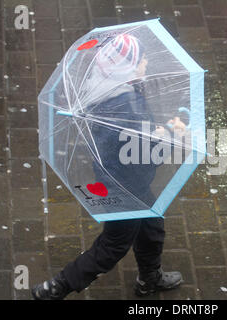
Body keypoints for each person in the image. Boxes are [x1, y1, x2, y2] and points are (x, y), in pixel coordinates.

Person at [32, 34, 187, 300]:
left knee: (152, 226)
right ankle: (57, 287)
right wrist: (172, 136)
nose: (147, 61)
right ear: (127, 66)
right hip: (126, 186)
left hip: (117, 176)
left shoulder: (109, 89)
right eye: (141, 59)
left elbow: (127, 138)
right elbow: (144, 156)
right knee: (113, 246)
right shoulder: (127, 106)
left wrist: (152, 132)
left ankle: (149, 278)